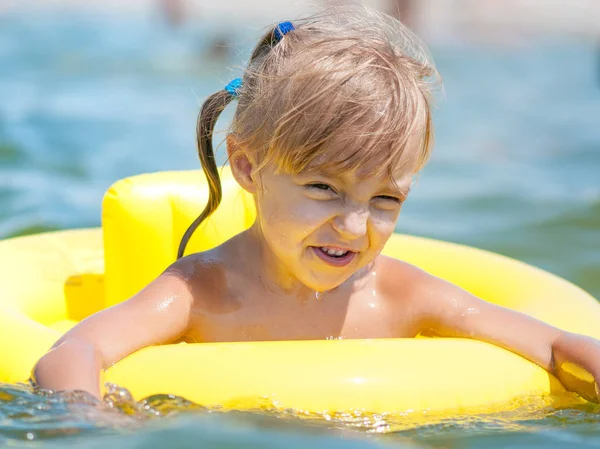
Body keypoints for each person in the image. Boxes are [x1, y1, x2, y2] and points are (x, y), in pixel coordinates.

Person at [34, 6, 600, 402]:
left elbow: (550, 342)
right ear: (249, 166)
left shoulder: (401, 294)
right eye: (323, 189)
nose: (355, 226)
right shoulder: (201, 292)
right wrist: (88, 416)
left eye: (384, 198)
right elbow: (74, 350)